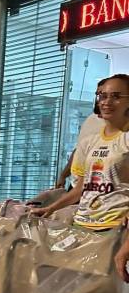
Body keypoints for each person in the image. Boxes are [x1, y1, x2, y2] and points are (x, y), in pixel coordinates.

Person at [33, 74, 129, 231]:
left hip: (114, 227)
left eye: (116, 96)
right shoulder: (90, 141)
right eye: (103, 96)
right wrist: (50, 208)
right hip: (82, 223)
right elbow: (80, 188)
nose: (107, 102)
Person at [56, 78, 107, 188]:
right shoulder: (91, 119)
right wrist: (63, 175)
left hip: (98, 188)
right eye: (98, 95)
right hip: (75, 184)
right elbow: (79, 150)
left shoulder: (121, 127)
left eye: (104, 95)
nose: (100, 100)